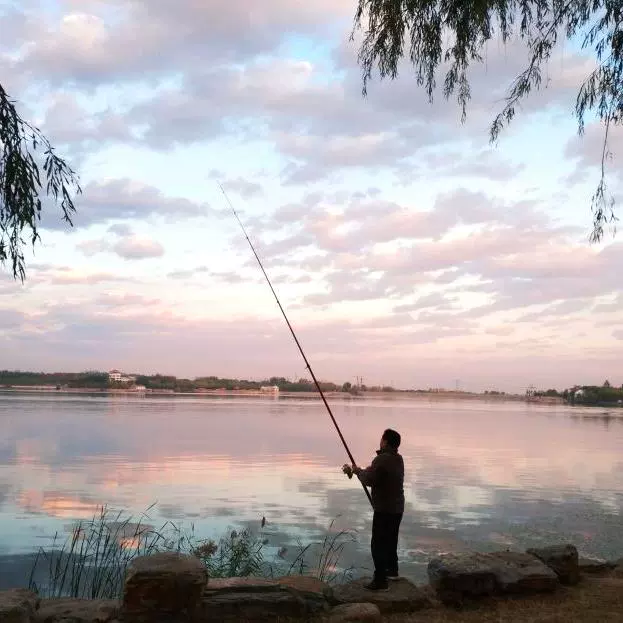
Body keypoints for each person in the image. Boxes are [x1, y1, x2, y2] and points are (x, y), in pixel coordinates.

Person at [342, 428, 404, 591]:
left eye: (381, 439)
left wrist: (357, 471)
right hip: (397, 508)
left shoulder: (382, 460)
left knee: (378, 544)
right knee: (391, 540)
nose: (380, 441)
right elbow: (379, 478)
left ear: (385, 442)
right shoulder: (398, 459)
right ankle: (392, 571)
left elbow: (370, 479)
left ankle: (380, 580)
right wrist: (361, 471)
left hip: (385, 509)